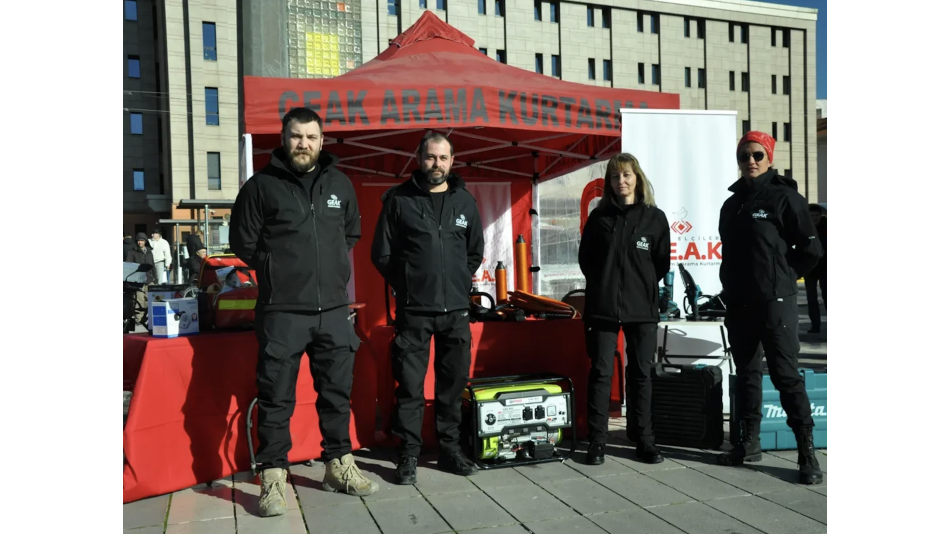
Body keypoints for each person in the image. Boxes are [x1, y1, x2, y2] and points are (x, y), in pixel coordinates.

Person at [230, 107, 377, 517]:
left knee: (336, 394)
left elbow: (349, 233)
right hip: (282, 312)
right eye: (296, 136)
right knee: (276, 398)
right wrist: (278, 269)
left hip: (332, 309)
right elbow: (244, 241)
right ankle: (273, 476)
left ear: (322, 140)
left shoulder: (339, 184)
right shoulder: (261, 187)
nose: (304, 144)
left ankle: (338, 465)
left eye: (311, 137)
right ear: (283, 137)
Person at [371, 132, 485, 484]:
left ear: (453, 161)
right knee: (409, 386)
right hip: (414, 311)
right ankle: (407, 455)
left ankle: (450, 450)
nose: (437, 164)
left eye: (443, 158)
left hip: (455, 311)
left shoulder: (465, 202)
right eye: (431, 157)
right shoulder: (398, 201)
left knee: (452, 385)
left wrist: (456, 282)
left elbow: (474, 252)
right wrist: (409, 284)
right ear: (419, 158)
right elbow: (382, 254)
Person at [717, 131, 824, 485]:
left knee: (785, 375)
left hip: (776, 304)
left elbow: (811, 250)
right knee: (746, 373)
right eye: (744, 155)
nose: (750, 161)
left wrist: (782, 278)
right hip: (740, 303)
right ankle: (748, 442)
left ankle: (806, 453)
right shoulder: (731, 205)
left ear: (769, 157)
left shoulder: (785, 198)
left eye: (757, 155)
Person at [578, 153, 670, 466]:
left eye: (627, 175)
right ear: (609, 183)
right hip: (603, 309)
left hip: (642, 309)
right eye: (616, 177)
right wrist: (606, 286)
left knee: (641, 374)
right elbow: (586, 261)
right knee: (602, 373)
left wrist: (637, 287)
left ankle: (644, 440)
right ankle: (597, 441)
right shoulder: (598, 218)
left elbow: (660, 264)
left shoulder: (654, 218)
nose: (622, 182)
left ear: (637, 178)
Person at [125, 233, 156, 326]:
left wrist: (155, 278)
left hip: (149, 279)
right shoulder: (132, 252)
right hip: (138, 281)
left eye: (142, 240)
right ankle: (139, 319)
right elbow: (128, 266)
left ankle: (148, 317)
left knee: (151, 299)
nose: (140, 242)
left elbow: (153, 266)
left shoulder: (149, 252)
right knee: (140, 300)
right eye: (138, 240)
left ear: (145, 241)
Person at [805, 205, 827, 333]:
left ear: (820, 215)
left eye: (816, 215)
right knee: (811, 298)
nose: (814, 218)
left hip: (825, 267)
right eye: (812, 216)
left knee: (827, 296)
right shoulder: (805, 227)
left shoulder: (827, 227)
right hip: (810, 268)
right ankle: (815, 326)